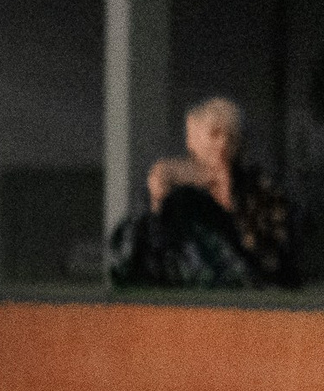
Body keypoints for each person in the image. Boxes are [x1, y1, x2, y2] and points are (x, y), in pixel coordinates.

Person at [112, 96, 302, 288]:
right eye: (215, 134)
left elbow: (274, 244)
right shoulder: (178, 184)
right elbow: (156, 225)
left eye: (232, 137)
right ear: (193, 140)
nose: (223, 144)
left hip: (253, 270)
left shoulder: (257, 183)